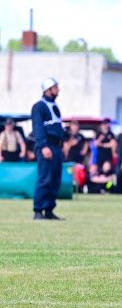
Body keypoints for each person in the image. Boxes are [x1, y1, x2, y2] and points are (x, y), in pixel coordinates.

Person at [31, 77, 67, 220]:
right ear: (48, 89)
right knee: (45, 179)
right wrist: (43, 146)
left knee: (55, 179)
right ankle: (38, 210)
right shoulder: (39, 107)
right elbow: (38, 128)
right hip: (47, 146)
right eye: (56, 87)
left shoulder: (55, 106)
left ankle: (49, 209)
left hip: (56, 147)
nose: (58, 89)